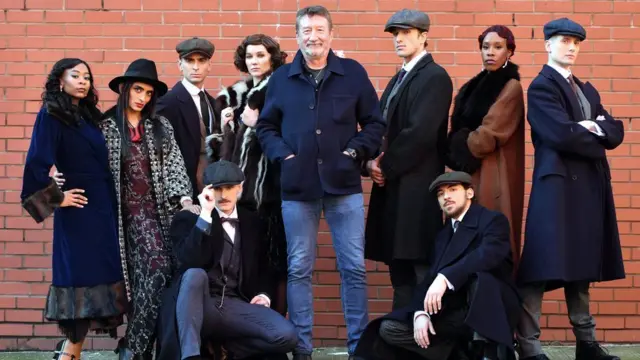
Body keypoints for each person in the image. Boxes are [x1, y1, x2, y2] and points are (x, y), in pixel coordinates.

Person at [255, 5, 386, 359]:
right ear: (297, 36)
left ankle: (359, 347)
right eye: (306, 30)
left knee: (354, 268)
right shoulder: (282, 78)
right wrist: (284, 155)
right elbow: (266, 126)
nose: (313, 36)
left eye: (319, 29)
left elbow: (374, 124)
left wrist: (354, 152)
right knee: (299, 269)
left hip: (343, 186)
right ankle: (302, 348)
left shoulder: (353, 74)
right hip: (297, 189)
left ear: (331, 34)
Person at [515, 18, 625, 360]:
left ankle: (586, 344)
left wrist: (588, 129)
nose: (572, 47)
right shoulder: (541, 87)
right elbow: (560, 135)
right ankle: (529, 346)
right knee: (540, 266)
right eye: (564, 41)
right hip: (557, 190)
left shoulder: (586, 89)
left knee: (582, 264)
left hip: (588, 189)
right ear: (548, 44)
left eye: (577, 41)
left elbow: (616, 132)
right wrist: (595, 131)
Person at [21, 58, 128, 360]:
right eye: (75, 75)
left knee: (101, 277)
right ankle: (69, 353)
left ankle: (72, 352)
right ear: (60, 81)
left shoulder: (88, 115)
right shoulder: (51, 114)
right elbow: (36, 163)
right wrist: (58, 197)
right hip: (79, 211)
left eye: (87, 77)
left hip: (103, 207)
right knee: (78, 279)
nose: (83, 81)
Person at [354, 172, 521, 360]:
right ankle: (454, 352)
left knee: (479, 279)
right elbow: (429, 279)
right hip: (455, 315)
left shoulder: (492, 220)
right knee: (389, 329)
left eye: (453, 190)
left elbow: (488, 255)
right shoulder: (443, 236)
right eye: (440, 194)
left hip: (490, 308)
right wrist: (420, 313)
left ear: (469, 193)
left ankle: (487, 352)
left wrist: (446, 277)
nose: (446, 196)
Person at [155, 160, 297, 360]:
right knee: (194, 274)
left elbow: (265, 267)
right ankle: (191, 355)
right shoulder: (188, 219)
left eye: (229, 188)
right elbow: (189, 261)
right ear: (207, 190)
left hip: (235, 305)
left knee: (286, 336)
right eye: (217, 189)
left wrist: (264, 295)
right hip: (198, 305)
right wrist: (204, 214)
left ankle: (229, 350)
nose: (223, 195)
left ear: (240, 187)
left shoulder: (253, 221)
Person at [100, 58, 194, 359]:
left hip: (160, 216)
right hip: (124, 219)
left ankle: (134, 349)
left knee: (158, 280)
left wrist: (184, 200)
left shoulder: (159, 126)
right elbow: (86, 166)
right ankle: (136, 348)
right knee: (153, 274)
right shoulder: (106, 128)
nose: (142, 97)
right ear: (125, 89)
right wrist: (60, 176)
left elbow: (176, 165)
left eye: (149, 93)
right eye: (137, 89)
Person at [364, 9, 453, 310]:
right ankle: (402, 334)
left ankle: (424, 337)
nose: (399, 39)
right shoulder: (400, 76)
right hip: (395, 187)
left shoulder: (435, 76)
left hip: (417, 187)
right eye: (395, 34)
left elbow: (421, 134)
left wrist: (384, 167)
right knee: (398, 266)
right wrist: (371, 163)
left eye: (406, 33)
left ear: (424, 36)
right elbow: (380, 124)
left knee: (418, 266)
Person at [207, 33, 290, 316]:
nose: (254, 61)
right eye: (249, 56)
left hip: (271, 194)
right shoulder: (234, 98)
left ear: (272, 58)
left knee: (275, 265)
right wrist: (226, 128)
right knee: (245, 263)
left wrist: (258, 123)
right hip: (239, 197)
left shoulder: (280, 90)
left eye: (261, 55)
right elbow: (220, 154)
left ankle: (277, 332)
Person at [445, 25, 525, 272]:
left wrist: (458, 142)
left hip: (493, 175)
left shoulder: (510, 87)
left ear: (509, 52)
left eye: (498, 47)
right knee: (463, 245)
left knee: (490, 243)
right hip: (467, 176)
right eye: (485, 47)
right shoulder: (471, 87)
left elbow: (487, 136)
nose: (490, 52)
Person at [157, 37, 218, 203]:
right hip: (183, 194)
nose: (196, 66)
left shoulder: (214, 103)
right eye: (190, 61)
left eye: (202, 60)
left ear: (209, 66)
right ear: (180, 65)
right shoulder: (167, 103)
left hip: (213, 190)